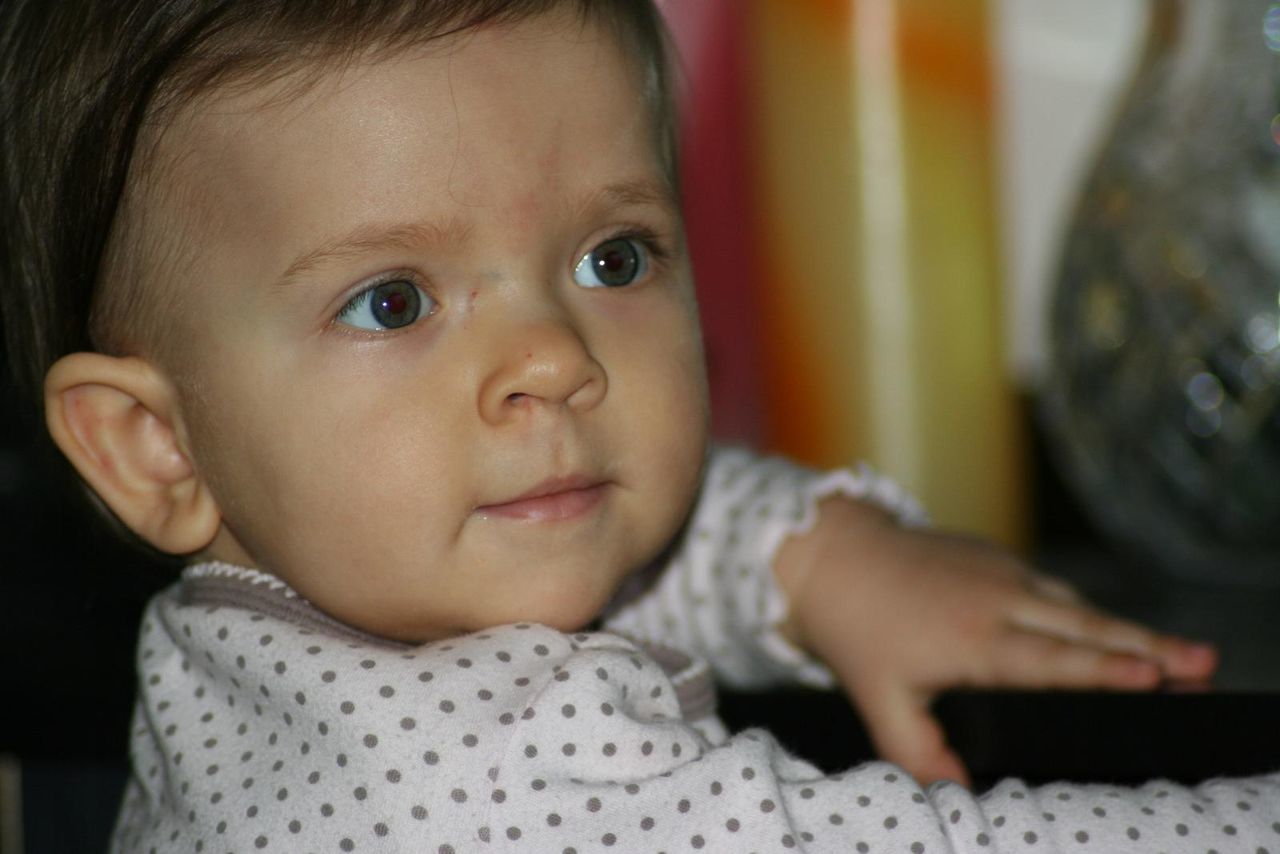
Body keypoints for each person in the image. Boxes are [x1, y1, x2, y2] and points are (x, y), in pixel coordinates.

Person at [1, 0, 1273, 850]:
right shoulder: (484, 783)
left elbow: (616, 527)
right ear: (151, 445)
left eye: (612, 258)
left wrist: (818, 557)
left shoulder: (250, 633)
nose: (553, 357)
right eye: (393, 300)